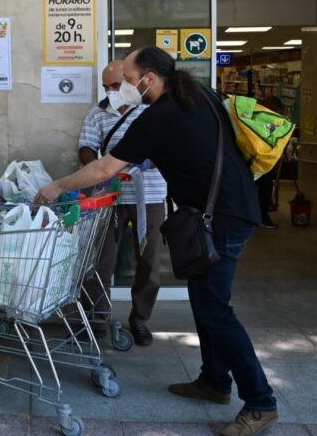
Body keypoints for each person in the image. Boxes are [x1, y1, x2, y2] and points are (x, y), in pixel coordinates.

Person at [35, 46, 278, 436]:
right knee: (204, 300)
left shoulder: (159, 115)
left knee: (216, 308)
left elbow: (104, 167)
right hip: (224, 209)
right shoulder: (200, 95)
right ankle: (214, 381)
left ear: (150, 77)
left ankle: (261, 402)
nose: (127, 88)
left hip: (223, 217)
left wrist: (56, 186)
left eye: (129, 81)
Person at [77, 59, 167, 347]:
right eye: (106, 87)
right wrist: (102, 166)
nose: (111, 91)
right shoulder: (98, 113)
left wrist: (149, 161)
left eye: (116, 85)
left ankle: (140, 320)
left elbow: (168, 149)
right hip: (110, 197)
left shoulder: (153, 111)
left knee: (148, 261)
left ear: (131, 82)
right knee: (101, 262)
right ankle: (98, 318)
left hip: (149, 198)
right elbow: (86, 148)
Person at [255, 95, 285, 230]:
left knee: (258, 189)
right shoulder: (268, 121)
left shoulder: (255, 117)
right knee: (265, 189)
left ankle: (255, 216)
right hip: (263, 162)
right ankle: (262, 217)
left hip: (254, 161)